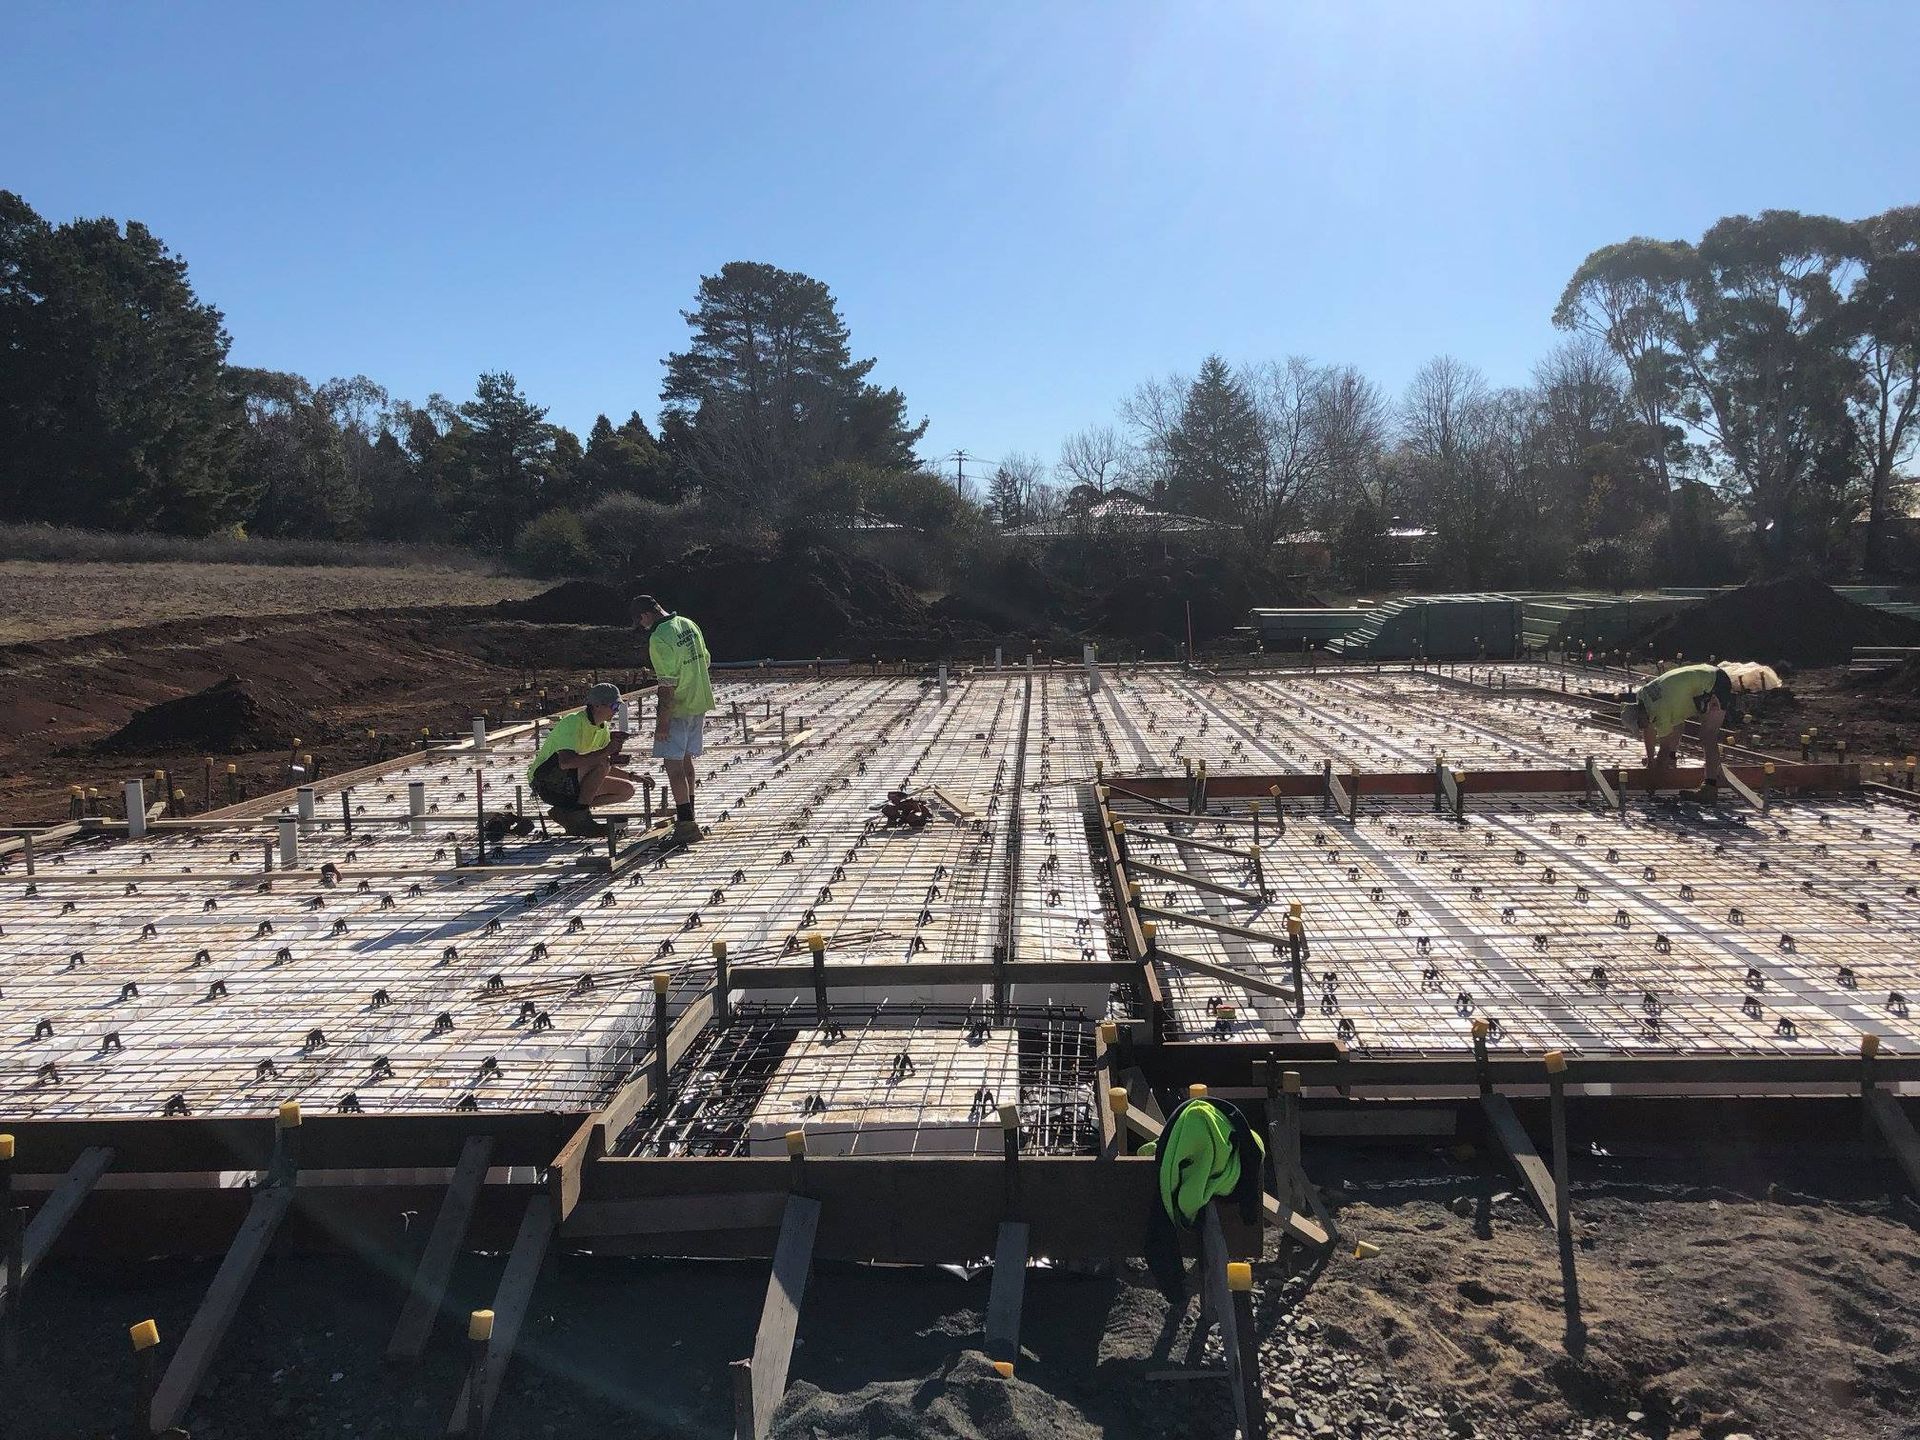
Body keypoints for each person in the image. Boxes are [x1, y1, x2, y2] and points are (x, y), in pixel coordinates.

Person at [1621, 660, 1781, 796]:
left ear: (1639, 715)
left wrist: (1653, 781)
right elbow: (1663, 727)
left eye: (1640, 724)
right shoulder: (1643, 695)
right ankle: (1695, 767)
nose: (1643, 727)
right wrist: (1651, 760)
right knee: (1678, 725)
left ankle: (1710, 787)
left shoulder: (1659, 710)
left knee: (1707, 736)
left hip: (1713, 685)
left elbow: (1663, 748)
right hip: (1705, 676)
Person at [632, 592, 714, 844]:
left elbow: (666, 685)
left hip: (678, 708)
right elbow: (706, 660)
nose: (642, 627)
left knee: (673, 766)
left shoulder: (659, 638)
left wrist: (662, 722)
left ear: (646, 615)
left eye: (640, 622)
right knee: (686, 761)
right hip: (698, 701)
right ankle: (690, 815)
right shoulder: (688, 624)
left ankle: (687, 825)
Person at [527, 682, 637, 836]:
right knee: (601, 762)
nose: (616, 711)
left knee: (626, 790)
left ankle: (566, 811)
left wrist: (632, 776)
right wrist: (607, 751)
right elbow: (566, 762)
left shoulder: (602, 728)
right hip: (546, 782)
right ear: (597, 705)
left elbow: (602, 767)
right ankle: (580, 819)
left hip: (569, 782)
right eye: (614, 706)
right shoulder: (572, 722)